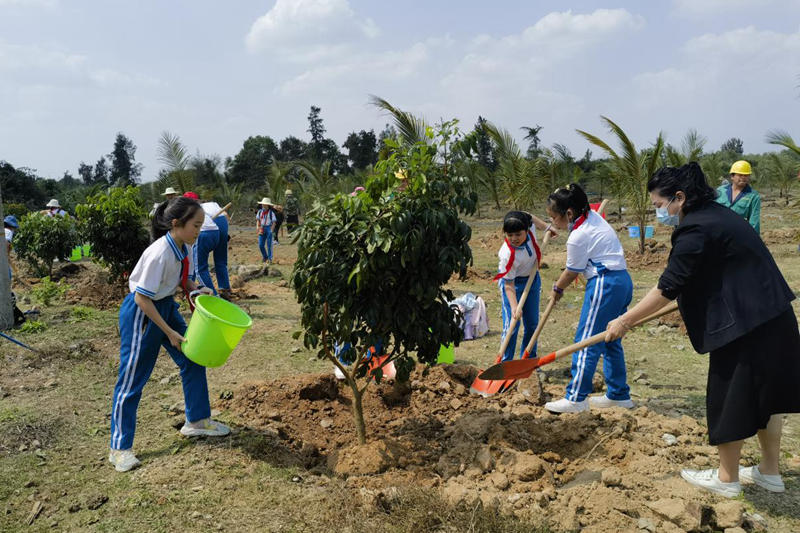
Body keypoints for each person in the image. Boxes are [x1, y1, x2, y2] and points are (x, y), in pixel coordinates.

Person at [605, 162, 800, 498]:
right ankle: (769, 472)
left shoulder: (695, 229)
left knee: (731, 399)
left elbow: (668, 286)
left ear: (678, 197)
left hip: (746, 327)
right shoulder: (720, 215)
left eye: (658, 206)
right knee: (767, 398)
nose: (658, 213)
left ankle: (727, 480)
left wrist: (625, 320)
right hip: (775, 315)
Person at [109, 197, 230, 472]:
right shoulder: (159, 253)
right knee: (131, 381)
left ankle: (197, 421)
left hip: (164, 305)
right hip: (144, 314)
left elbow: (179, 279)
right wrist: (170, 332)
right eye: (196, 226)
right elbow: (141, 298)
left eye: (201, 225)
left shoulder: (181, 246)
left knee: (192, 357)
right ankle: (119, 448)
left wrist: (196, 287)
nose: (199, 231)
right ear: (176, 224)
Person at [543, 184, 634, 414]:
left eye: (555, 218)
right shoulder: (591, 216)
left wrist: (557, 288)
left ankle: (576, 398)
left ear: (570, 213)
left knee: (586, 340)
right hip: (622, 280)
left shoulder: (578, 236)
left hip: (605, 283)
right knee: (610, 339)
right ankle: (618, 395)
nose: (553, 223)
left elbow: (572, 271)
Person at [495, 211, 554, 362]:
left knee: (532, 324)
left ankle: (528, 361)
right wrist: (515, 307)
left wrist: (547, 227)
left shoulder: (530, 230)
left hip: (532, 279)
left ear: (527, 230)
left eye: (518, 234)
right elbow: (508, 284)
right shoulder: (507, 255)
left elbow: (528, 215)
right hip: (512, 285)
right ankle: (505, 364)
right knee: (512, 326)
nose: (514, 239)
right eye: (510, 235)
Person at [184, 192, 231, 299]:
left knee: (198, 264)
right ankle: (225, 287)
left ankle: (212, 295)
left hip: (209, 228)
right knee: (220, 260)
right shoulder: (213, 204)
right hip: (221, 222)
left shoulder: (192, 209)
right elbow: (227, 216)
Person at [716, 160, 760, 235]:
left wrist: (753, 241)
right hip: (719, 233)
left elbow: (754, 222)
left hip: (739, 235)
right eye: (740, 175)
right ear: (732, 176)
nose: (743, 178)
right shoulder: (720, 191)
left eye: (746, 175)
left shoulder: (753, 196)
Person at [256, 198, 276, 265]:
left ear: (268, 205)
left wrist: (271, 230)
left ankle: (270, 259)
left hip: (268, 228)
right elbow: (258, 220)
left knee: (269, 244)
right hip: (262, 227)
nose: (263, 206)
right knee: (260, 244)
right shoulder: (259, 212)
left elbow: (274, 222)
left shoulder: (271, 213)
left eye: (265, 205)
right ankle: (265, 256)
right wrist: (258, 228)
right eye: (263, 205)